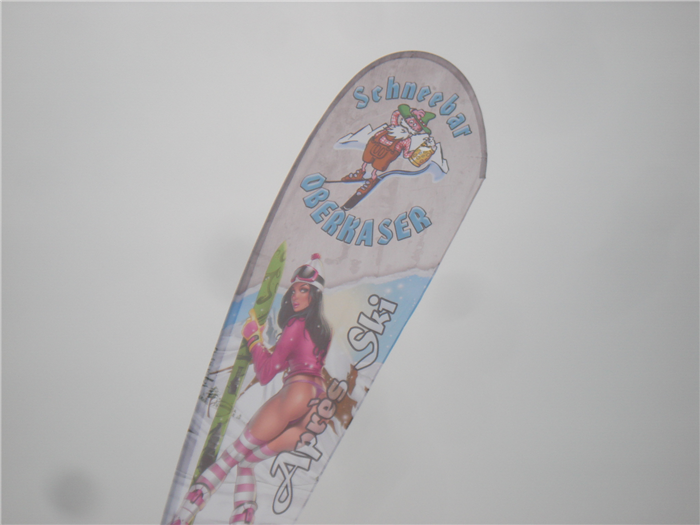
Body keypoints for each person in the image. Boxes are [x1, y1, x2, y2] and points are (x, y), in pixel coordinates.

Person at [171, 254, 331, 525]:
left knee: (232, 455)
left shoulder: (296, 325)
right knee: (247, 462)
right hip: (316, 408)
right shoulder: (322, 329)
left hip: (297, 393)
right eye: (294, 290)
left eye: (303, 290)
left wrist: (253, 338)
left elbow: (267, 373)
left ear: (314, 295)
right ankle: (243, 515)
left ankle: (183, 514)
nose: (295, 296)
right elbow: (292, 360)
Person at [343, 104, 436, 198]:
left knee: (377, 166)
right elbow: (395, 114)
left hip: (388, 153)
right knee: (367, 159)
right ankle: (361, 171)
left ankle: (372, 178)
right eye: (411, 121)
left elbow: (406, 154)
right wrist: (411, 111)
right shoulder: (394, 126)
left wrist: (414, 153)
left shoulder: (406, 140)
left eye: (415, 125)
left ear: (417, 130)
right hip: (375, 144)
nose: (411, 124)